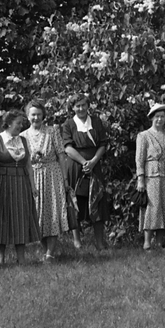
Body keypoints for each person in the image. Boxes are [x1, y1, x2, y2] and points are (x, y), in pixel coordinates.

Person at [0, 109, 43, 264]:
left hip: (21, 183)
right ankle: (1, 258)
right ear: (8, 124)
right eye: (18, 123)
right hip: (2, 183)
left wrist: (33, 186)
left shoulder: (23, 141)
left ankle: (21, 258)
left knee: (21, 217)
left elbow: (28, 165)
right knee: (3, 218)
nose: (21, 126)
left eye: (21, 123)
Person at [22, 102, 71, 260]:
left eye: (38, 114)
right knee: (38, 213)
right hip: (33, 176)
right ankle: (44, 250)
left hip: (52, 174)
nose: (36, 117)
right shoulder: (23, 136)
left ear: (43, 115)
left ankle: (50, 252)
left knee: (52, 211)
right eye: (32, 114)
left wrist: (64, 179)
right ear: (28, 116)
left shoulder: (52, 131)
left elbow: (61, 155)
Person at [60, 96, 110, 249]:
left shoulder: (96, 122)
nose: (80, 109)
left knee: (98, 200)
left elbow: (103, 144)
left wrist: (93, 161)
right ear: (72, 108)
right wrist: (83, 162)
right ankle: (77, 242)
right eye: (77, 106)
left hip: (95, 165)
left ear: (88, 106)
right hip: (76, 166)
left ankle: (100, 242)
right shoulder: (68, 124)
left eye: (83, 105)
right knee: (76, 202)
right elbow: (67, 148)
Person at [136, 100, 165, 249]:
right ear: (152, 118)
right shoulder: (144, 136)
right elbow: (139, 159)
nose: (160, 119)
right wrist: (140, 179)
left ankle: (160, 242)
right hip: (151, 176)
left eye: (162, 116)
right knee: (152, 208)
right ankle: (147, 242)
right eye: (157, 117)